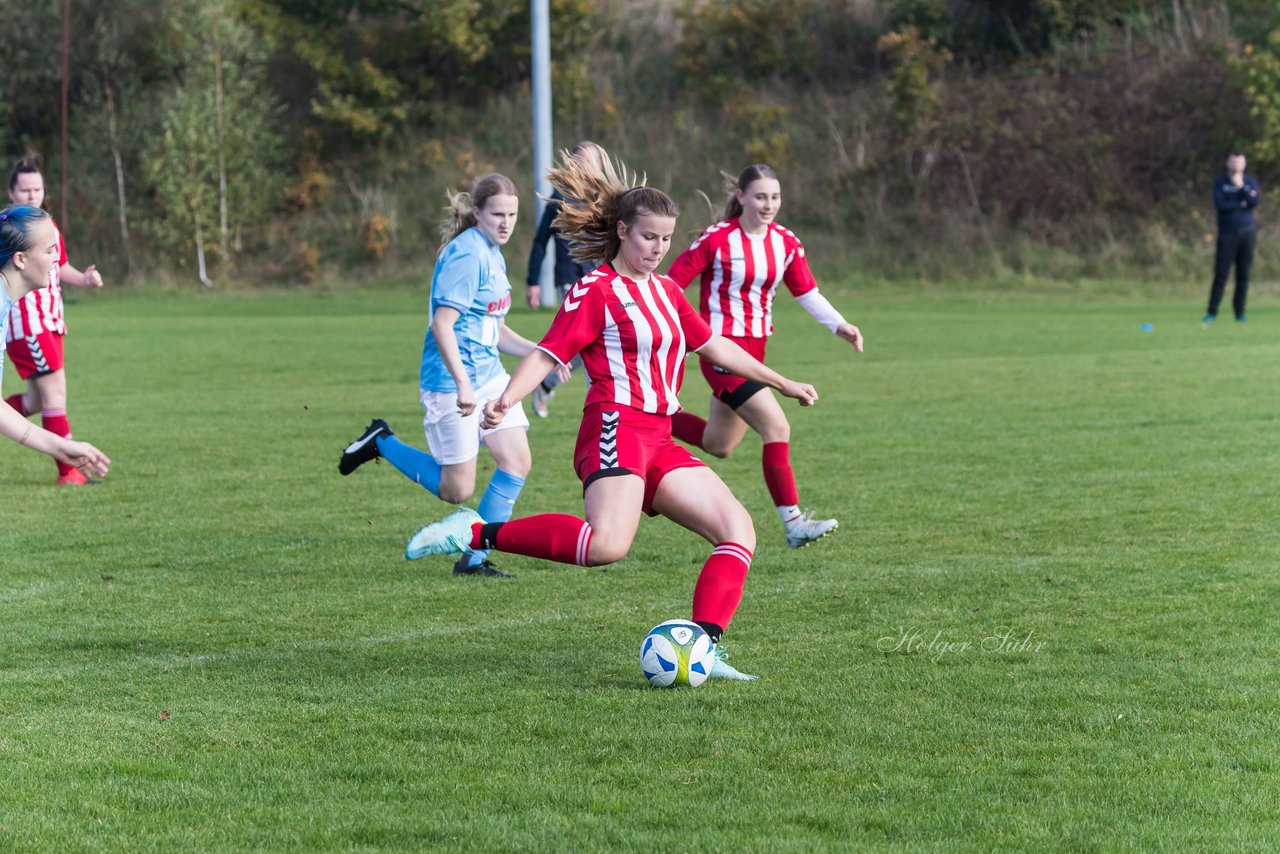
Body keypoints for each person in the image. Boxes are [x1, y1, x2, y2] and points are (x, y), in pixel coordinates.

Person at [403, 150, 820, 681]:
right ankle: (474, 532)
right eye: (649, 237)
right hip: (614, 428)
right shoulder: (594, 291)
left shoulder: (668, 292)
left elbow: (714, 346)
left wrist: (780, 381)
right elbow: (548, 352)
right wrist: (507, 398)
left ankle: (704, 649)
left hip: (660, 436)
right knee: (606, 546)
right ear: (623, 232)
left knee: (738, 531)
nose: (659, 248)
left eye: (667, 239)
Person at [339, 173, 563, 578]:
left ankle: (473, 560)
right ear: (477, 212)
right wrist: (462, 382)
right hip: (451, 379)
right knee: (455, 489)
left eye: (512, 214)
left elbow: (494, 329)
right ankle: (382, 441)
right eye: (497, 214)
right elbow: (443, 326)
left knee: (516, 460)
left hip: (489, 375)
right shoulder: (469, 256)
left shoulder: (493, 252)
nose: (506, 222)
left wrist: (543, 352)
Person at [665, 164, 863, 549]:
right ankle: (794, 523)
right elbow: (673, 284)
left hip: (756, 352)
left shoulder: (785, 242)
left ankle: (655, 416)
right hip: (720, 352)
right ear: (741, 197)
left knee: (718, 443)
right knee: (778, 427)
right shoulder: (717, 239)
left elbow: (806, 291)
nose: (768, 204)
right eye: (760, 196)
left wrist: (839, 325)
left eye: (774, 197)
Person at [3, 157, 106, 485]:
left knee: (38, 398)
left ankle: (68, 468)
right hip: (33, 326)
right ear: (20, 259)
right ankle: (69, 476)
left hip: (48, 321)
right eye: (49, 252)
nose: (56, 259)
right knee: (51, 395)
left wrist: (61, 445)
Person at [524, 141, 606, 418]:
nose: (585, 166)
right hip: (570, 279)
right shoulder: (560, 197)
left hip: (601, 279)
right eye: (580, 160)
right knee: (585, 340)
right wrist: (533, 281)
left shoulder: (606, 197)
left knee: (591, 345)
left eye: (591, 161)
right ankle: (596, 405)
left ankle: (546, 382)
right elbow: (540, 240)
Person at [1205, 151, 1261, 324]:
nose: (1236, 165)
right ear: (1228, 163)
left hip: (1247, 234)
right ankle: (1212, 313)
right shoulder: (1221, 182)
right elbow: (1220, 205)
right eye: (1233, 162)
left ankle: (1240, 313)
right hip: (1227, 234)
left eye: (1239, 162)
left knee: (1243, 275)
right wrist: (1241, 204)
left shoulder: (1250, 182)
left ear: (1244, 164)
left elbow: (1254, 202)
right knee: (1221, 274)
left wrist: (1242, 186)